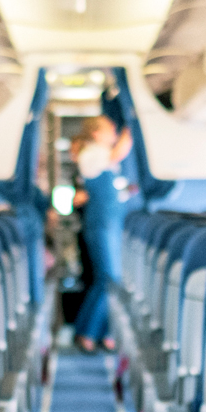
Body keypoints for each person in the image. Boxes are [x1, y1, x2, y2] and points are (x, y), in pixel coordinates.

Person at [71, 115, 133, 352]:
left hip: (111, 223)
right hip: (102, 224)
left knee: (108, 279)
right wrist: (132, 123)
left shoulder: (100, 156)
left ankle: (99, 332)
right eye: (110, 129)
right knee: (109, 278)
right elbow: (119, 152)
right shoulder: (92, 153)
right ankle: (88, 332)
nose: (115, 133)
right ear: (96, 134)